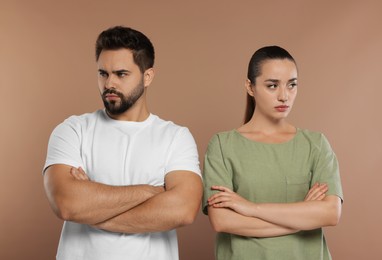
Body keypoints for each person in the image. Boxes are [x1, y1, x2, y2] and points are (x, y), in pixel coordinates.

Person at [43, 26, 203, 260]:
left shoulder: (175, 137)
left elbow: (183, 210)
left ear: (147, 76)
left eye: (121, 74)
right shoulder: (73, 130)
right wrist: (150, 192)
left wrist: (91, 206)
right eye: (103, 73)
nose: (109, 83)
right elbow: (67, 204)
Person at [202, 46, 343, 259]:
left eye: (292, 85)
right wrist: (301, 218)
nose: (284, 96)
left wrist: (251, 208)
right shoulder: (222, 145)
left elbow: (331, 214)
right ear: (250, 87)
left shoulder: (315, 144)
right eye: (272, 85)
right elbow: (223, 221)